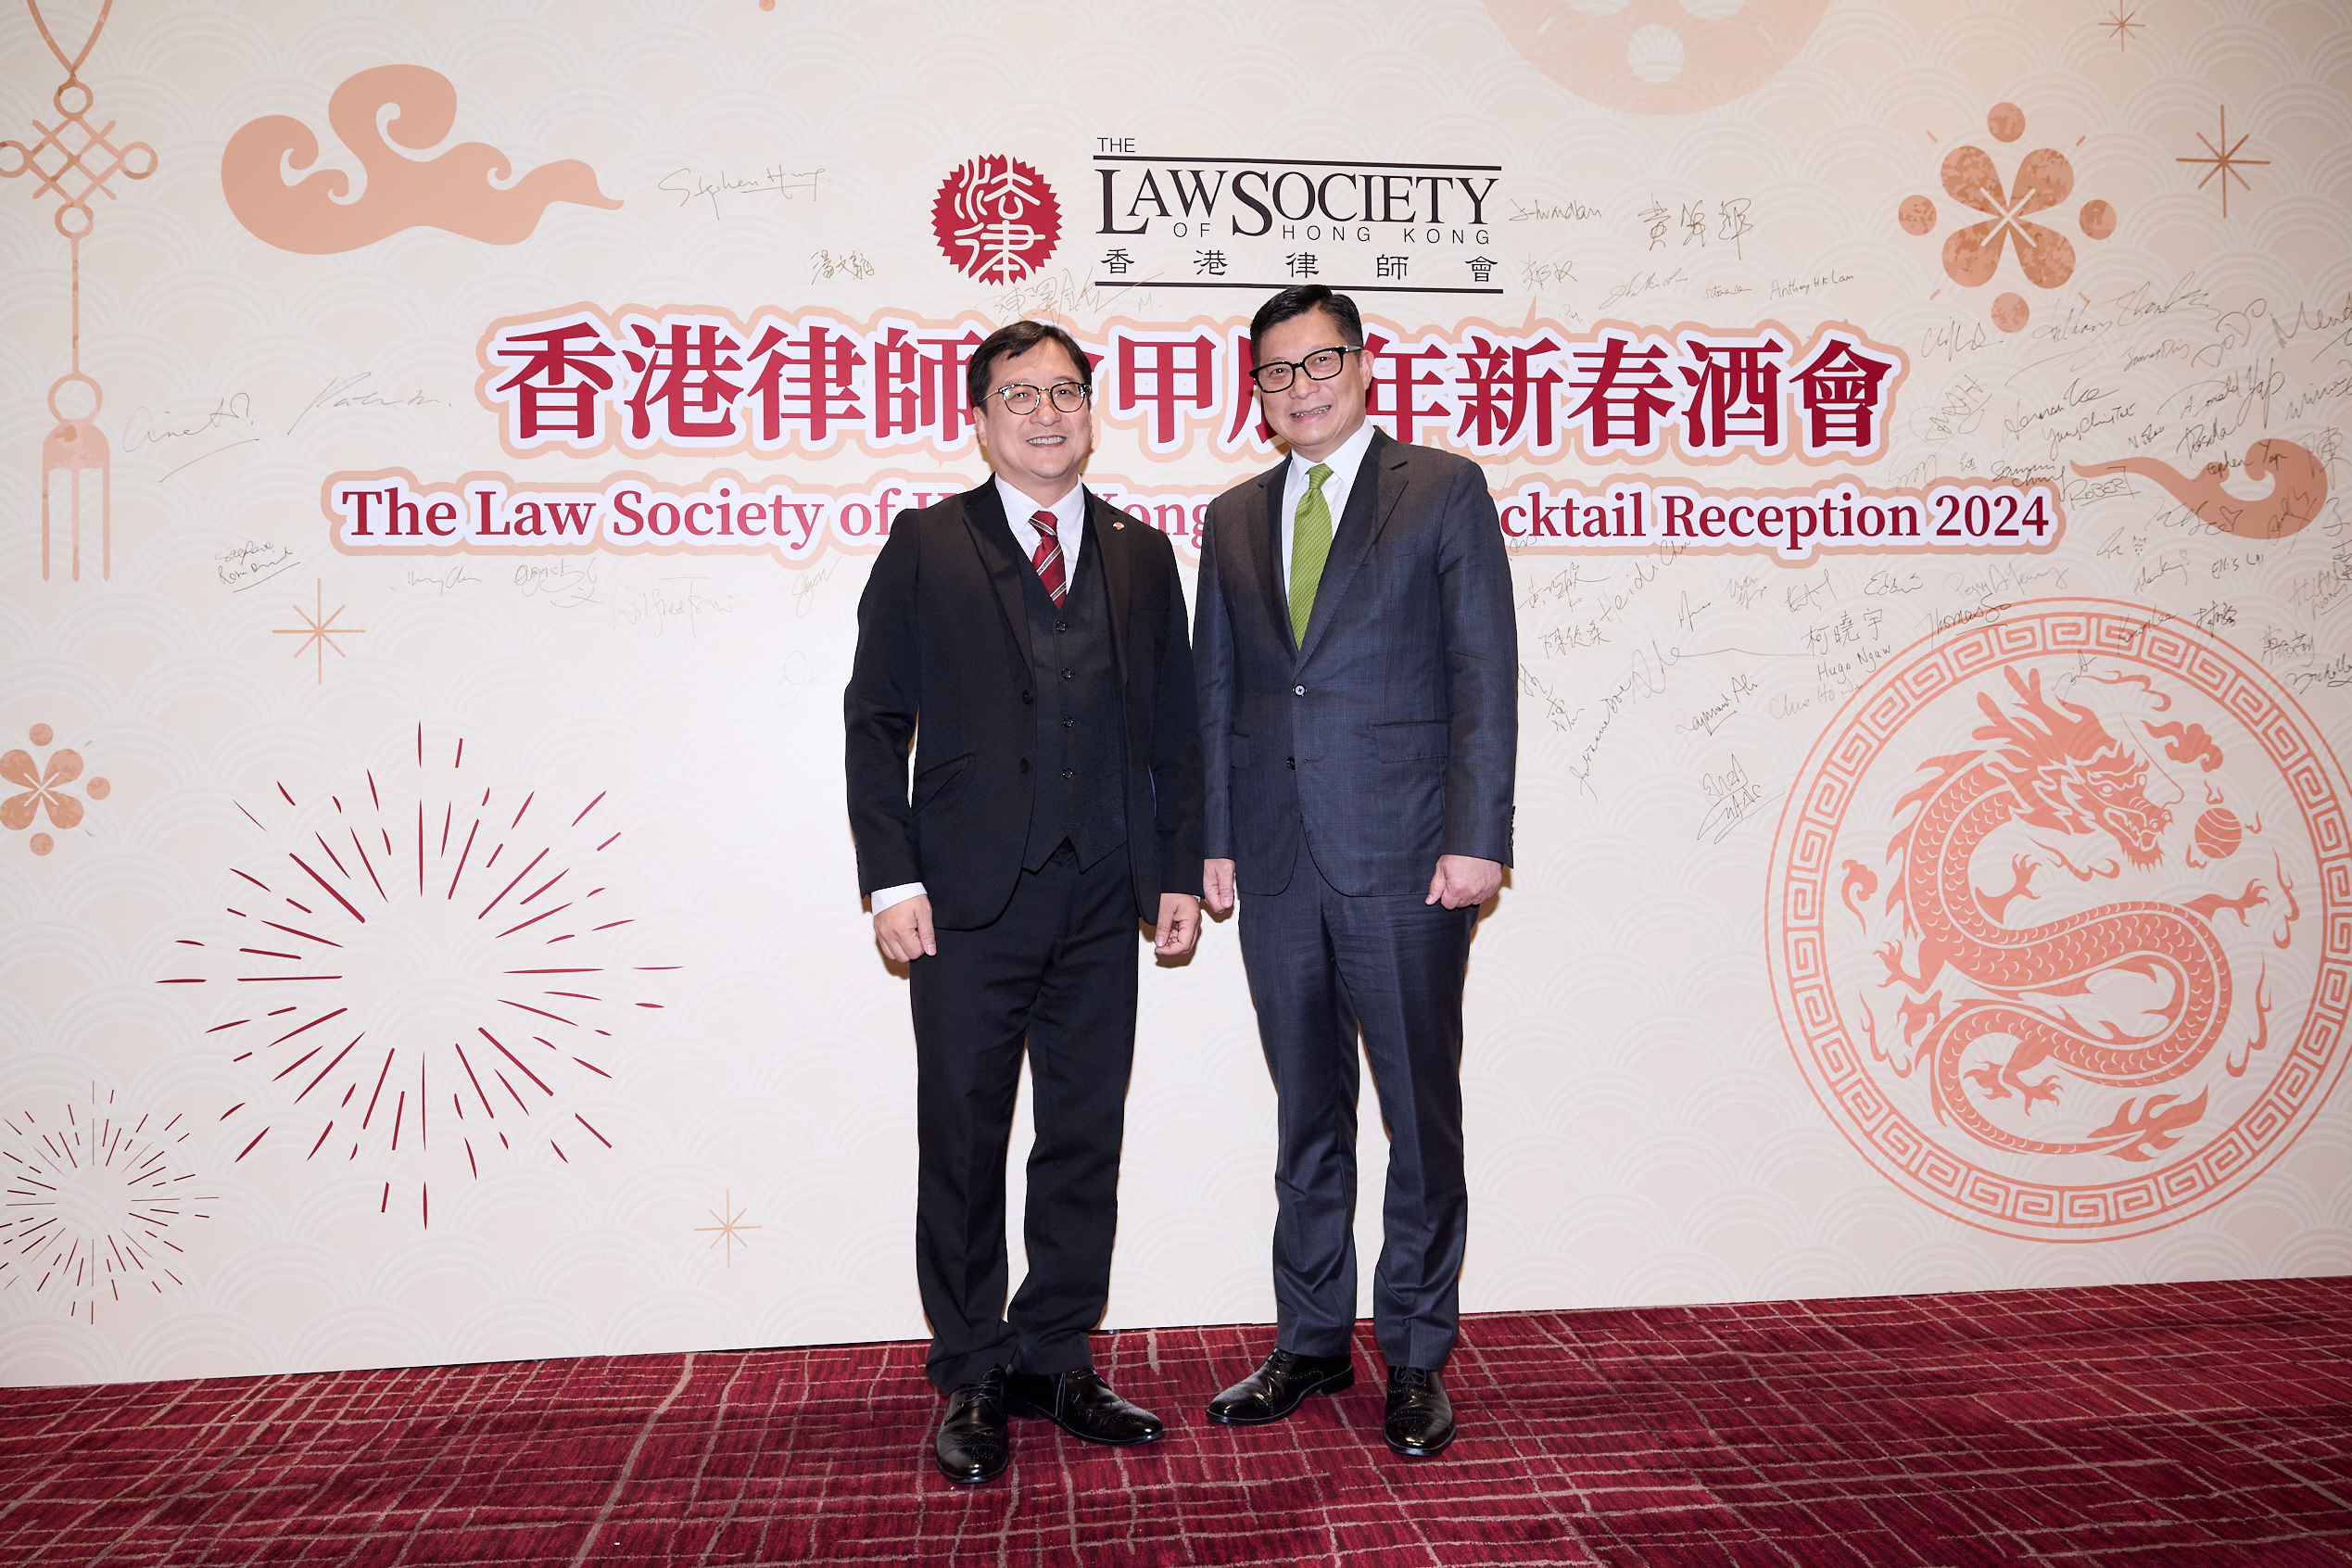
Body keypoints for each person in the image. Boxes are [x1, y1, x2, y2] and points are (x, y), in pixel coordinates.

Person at [844, 319, 1205, 1485]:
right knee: (965, 1136)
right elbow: (874, 722)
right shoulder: (925, 544)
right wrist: (892, 877)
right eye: (1019, 395)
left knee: (1083, 1135)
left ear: (1091, 412)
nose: (1046, 414)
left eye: (1065, 392)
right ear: (981, 417)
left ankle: (1055, 1356)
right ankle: (971, 1369)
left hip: (1102, 897)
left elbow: (1174, 730)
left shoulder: (1142, 554)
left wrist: (1176, 869)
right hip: (963, 905)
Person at [1193, 285, 1517, 1459]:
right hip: (1277, 862)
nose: (1302, 387)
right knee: (1307, 1116)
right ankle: (1313, 1339)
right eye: (1277, 371)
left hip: (1409, 855)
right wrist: (1212, 837)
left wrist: (1478, 834)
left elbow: (1483, 670)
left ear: (1364, 364)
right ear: (1258, 391)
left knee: (1419, 1116)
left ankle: (1418, 1354)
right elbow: (1217, 689)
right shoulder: (1232, 517)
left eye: (1320, 361)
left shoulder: (1441, 489)